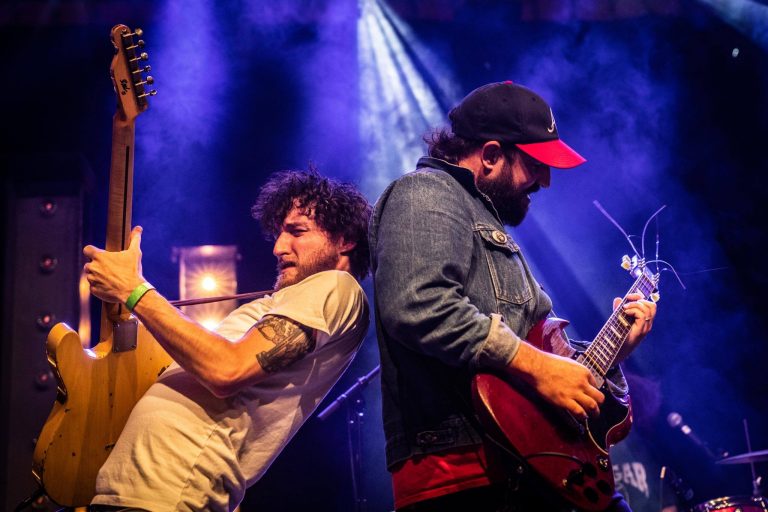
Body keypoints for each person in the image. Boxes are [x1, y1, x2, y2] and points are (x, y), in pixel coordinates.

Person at [369, 81, 658, 511]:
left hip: (533, 467)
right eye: (536, 164)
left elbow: (545, 371)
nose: (546, 180)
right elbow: (418, 304)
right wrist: (539, 367)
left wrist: (615, 350)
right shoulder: (426, 192)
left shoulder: (488, 226)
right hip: (468, 476)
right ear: (490, 155)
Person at [83, 169, 371, 511]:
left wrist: (134, 290)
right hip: (135, 493)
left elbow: (227, 369)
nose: (279, 248)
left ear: (345, 240)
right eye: (279, 234)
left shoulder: (336, 285)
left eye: (297, 232)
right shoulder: (276, 305)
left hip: (167, 494)